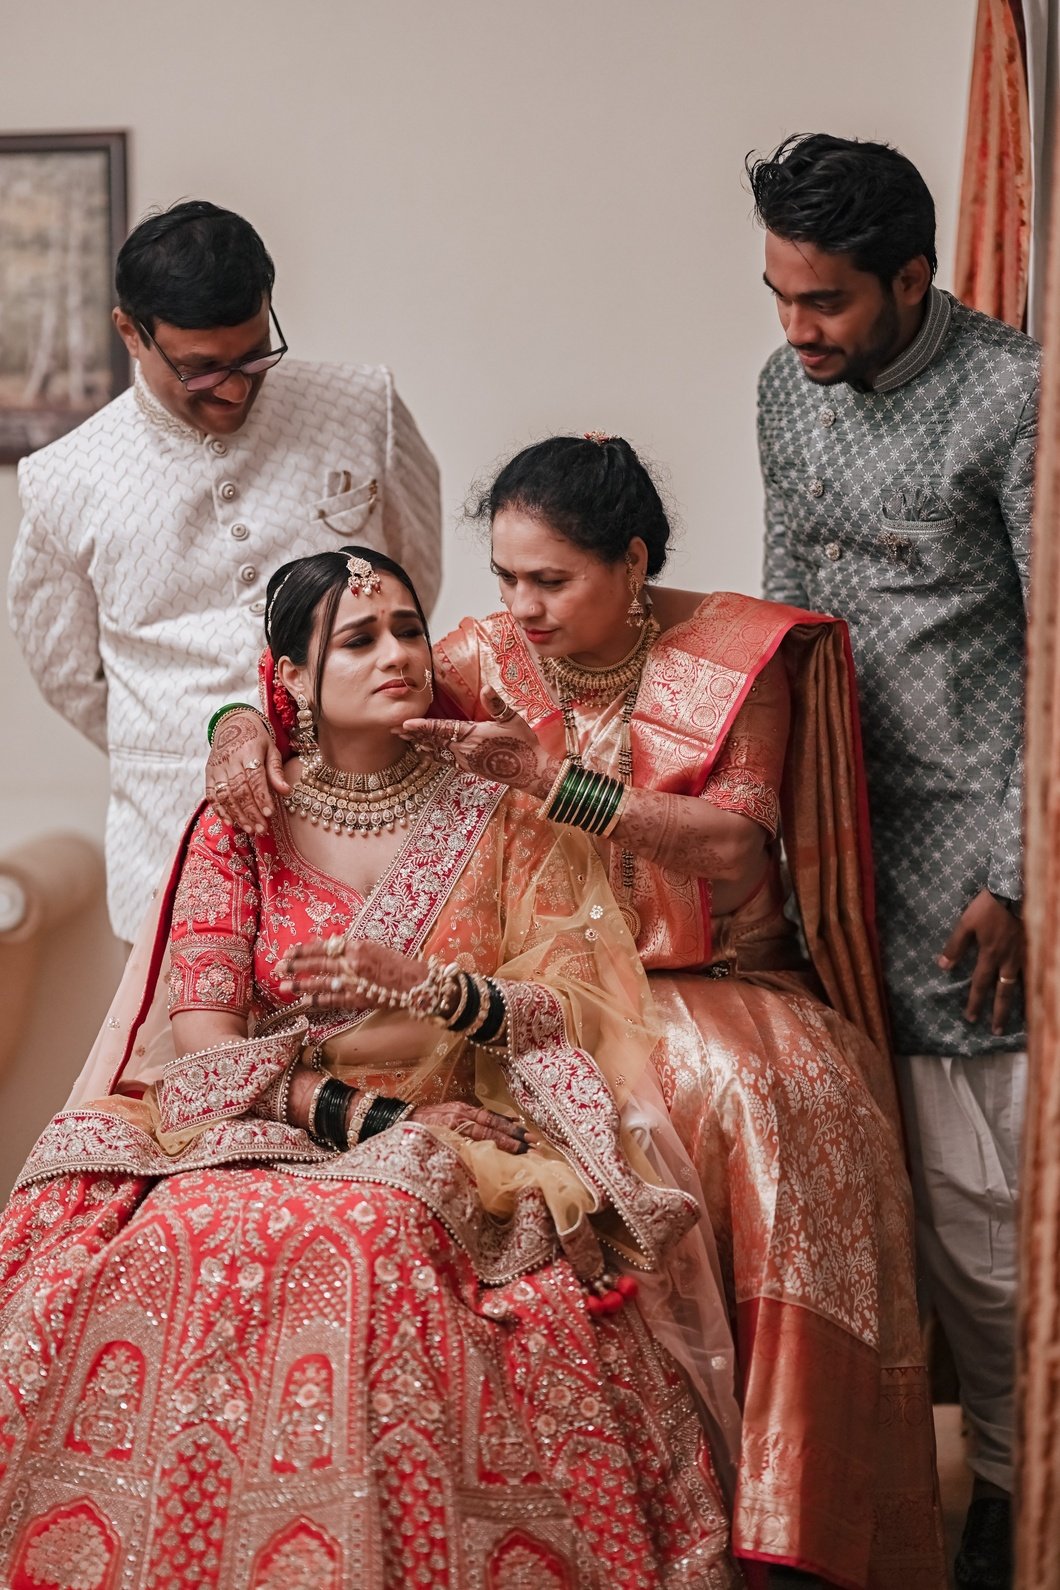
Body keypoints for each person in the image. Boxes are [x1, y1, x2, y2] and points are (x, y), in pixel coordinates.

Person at [210, 439, 946, 1588]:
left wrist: (553, 781)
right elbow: (324, 677)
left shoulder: (737, 661)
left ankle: (789, 1507)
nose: (520, 608)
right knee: (554, 1116)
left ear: (633, 564)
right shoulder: (487, 653)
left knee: (749, 1099)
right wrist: (234, 724)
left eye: (550, 580)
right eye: (505, 578)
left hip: (708, 981)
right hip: (531, 994)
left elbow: (732, 849)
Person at [0, 546, 743, 1589]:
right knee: (172, 1228)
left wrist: (432, 989)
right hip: (273, 1121)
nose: (397, 654)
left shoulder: (494, 809)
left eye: (406, 629)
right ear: (292, 679)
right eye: (357, 639)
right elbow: (205, 1038)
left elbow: (570, 1006)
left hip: (468, 1129)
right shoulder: (241, 822)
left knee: (370, 1235)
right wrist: (361, 1119)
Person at [749, 132, 1037, 1590]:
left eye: (827, 301)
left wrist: (1020, 878)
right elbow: (786, 614)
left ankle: (1013, 1491)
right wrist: (774, 844)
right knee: (877, 1210)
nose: (797, 330)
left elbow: (1056, 647)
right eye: (781, 296)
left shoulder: (1017, 398)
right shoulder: (782, 390)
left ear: (912, 278)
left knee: (989, 1228)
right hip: (841, 858)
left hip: (982, 879)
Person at [8, 200, 441, 944]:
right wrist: (184, 734)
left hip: (374, 828)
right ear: (130, 333)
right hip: (171, 840)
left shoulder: (362, 406)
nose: (235, 388)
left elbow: (413, 579)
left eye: (254, 357)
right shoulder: (63, 479)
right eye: (202, 369)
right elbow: (67, 671)